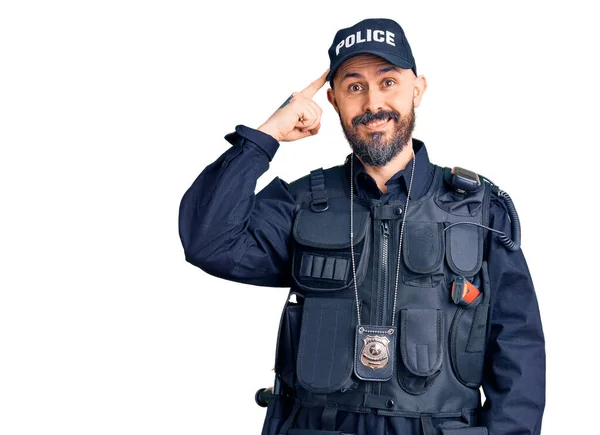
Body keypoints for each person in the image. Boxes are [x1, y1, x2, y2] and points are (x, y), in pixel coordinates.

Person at [178, 18, 545, 435]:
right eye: (355, 87)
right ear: (334, 101)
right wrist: (265, 137)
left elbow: (517, 346)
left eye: (388, 82)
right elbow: (207, 241)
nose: (372, 103)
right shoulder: (302, 203)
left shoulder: (478, 210)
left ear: (417, 90)